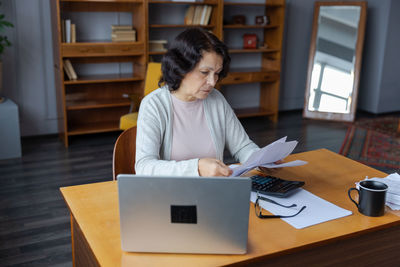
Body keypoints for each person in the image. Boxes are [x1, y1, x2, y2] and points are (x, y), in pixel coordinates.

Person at [135, 28, 260, 177]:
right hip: (171, 194)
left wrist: (262, 159)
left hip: (212, 192)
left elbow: (242, 146)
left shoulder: (216, 99)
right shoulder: (154, 105)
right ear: (180, 68)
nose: (212, 82)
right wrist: (197, 168)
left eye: (217, 73)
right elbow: (144, 167)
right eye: (205, 72)